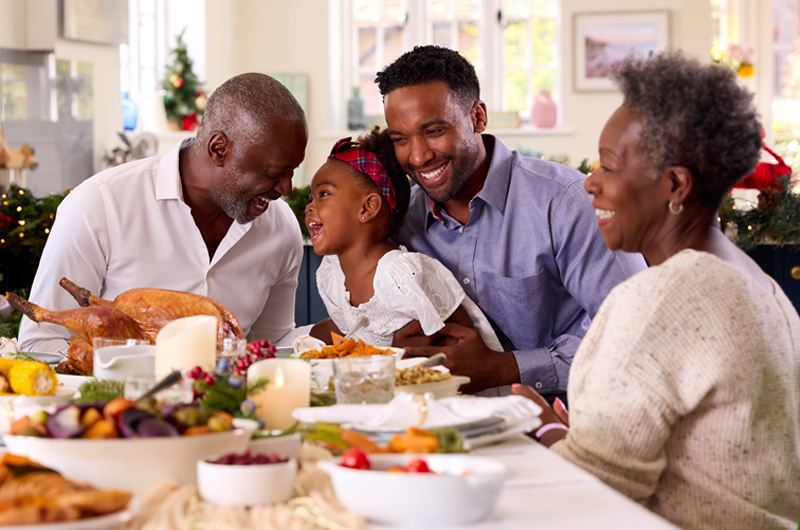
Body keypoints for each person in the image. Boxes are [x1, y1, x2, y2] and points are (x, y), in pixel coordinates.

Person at [512, 51, 800, 529]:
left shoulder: (659, 299)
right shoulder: (754, 279)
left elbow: (588, 494)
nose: (590, 183)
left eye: (608, 166)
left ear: (675, 185)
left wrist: (542, 428)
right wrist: (576, 438)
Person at [375, 46, 647, 396]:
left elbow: (638, 332)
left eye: (434, 131)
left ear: (478, 118)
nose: (417, 156)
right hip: (447, 422)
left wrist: (504, 368)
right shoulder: (404, 221)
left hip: (566, 424)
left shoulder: (567, 202)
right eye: (400, 139)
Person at [20, 73, 308, 358]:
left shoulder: (280, 227)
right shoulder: (100, 204)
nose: (286, 188)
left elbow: (274, 343)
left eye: (292, 171)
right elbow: (41, 342)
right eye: (274, 173)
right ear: (218, 149)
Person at [306, 129, 502, 352]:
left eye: (324, 194)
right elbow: (347, 330)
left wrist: (391, 355)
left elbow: (464, 346)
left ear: (368, 207)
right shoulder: (333, 273)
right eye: (310, 198)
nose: (309, 207)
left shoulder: (401, 273)